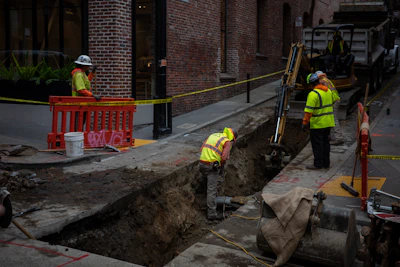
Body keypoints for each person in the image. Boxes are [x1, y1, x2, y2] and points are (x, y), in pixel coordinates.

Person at [199, 127, 238, 220]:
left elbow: (202, 148)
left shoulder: (213, 135)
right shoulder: (227, 142)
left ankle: (205, 204)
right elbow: (224, 157)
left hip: (202, 164)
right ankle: (212, 214)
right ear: (232, 138)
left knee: (207, 186)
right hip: (212, 166)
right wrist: (221, 165)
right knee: (211, 191)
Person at [302, 73, 340, 169]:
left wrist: (305, 123)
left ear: (310, 84)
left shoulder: (313, 94)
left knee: (317, 144)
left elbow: (308, 112)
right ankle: (326, 163)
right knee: (325, 143)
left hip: (318, 124)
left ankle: (318, 164)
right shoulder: (328, 92)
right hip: (328, 122)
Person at [71, 55, 101, 130]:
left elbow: (87, 81)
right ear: (83, 65)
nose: (88, 67)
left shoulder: (82, 73)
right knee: (78, 122)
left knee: (81, 122)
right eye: (87, 65)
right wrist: (92, 95)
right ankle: (77, 136)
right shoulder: (79, 74)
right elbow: (80, 89)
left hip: (81, 102)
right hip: (78, 102)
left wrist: (92, 73)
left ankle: (78, 135)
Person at [315, 71, 344, 145]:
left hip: (333, 101)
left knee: (334, 119)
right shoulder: (326, 80)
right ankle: (331, 136)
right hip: (335, 100)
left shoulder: (322, 81)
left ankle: (339, 138)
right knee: (330, 118)